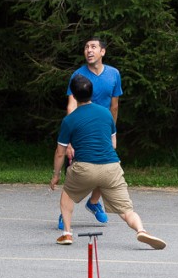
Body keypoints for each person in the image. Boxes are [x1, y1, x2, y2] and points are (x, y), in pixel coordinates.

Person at [49, 75, 165, 249]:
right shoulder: (105, 113)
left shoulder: (69, 120)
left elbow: (60, 153)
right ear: (92, 93)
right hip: (111, 167)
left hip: (84, 168)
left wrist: (56, 175)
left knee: (67, 197)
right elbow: (113, 143)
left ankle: (66, 233)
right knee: (127, 211)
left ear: (73, 94)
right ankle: (141, 230)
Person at [58, 37, 123, 230]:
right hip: (81, 130)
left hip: (103, 128)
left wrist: (113, 132)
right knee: (74, 173)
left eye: (93, 47)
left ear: (102, 52)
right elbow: (71, 105)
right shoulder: (77, 75)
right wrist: (70, 141)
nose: (89, 50)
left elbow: (115, 106)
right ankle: (64, 215)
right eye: (86, 47)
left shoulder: (114, 74)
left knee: (106, 167)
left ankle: (94, 202)